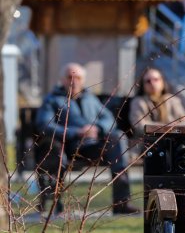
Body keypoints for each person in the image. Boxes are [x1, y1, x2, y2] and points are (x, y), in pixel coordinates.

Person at [35, 62, 139, 214]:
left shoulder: (91, 99)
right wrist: (75, 132)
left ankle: (122, 203)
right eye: (69, 77)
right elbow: (44, 124)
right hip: (66, 146)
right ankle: (53, 204)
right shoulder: (52, 100)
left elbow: (109, 120)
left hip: (92, 146)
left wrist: (97, 128)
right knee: (54, 151)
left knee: (118, 138)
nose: (73, 81)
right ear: (62, 80)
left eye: (77, 77)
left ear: (82, 80)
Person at [129, 67, 185, 136]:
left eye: (156, 79)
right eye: (148, 81)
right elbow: (139, 126)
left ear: (162, 82)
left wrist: (167, 129)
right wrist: (167, 128)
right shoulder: (138, 102)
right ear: (143, 85)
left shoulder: (173, 100)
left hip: (175, 142)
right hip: (147, 143)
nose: (152, 83)